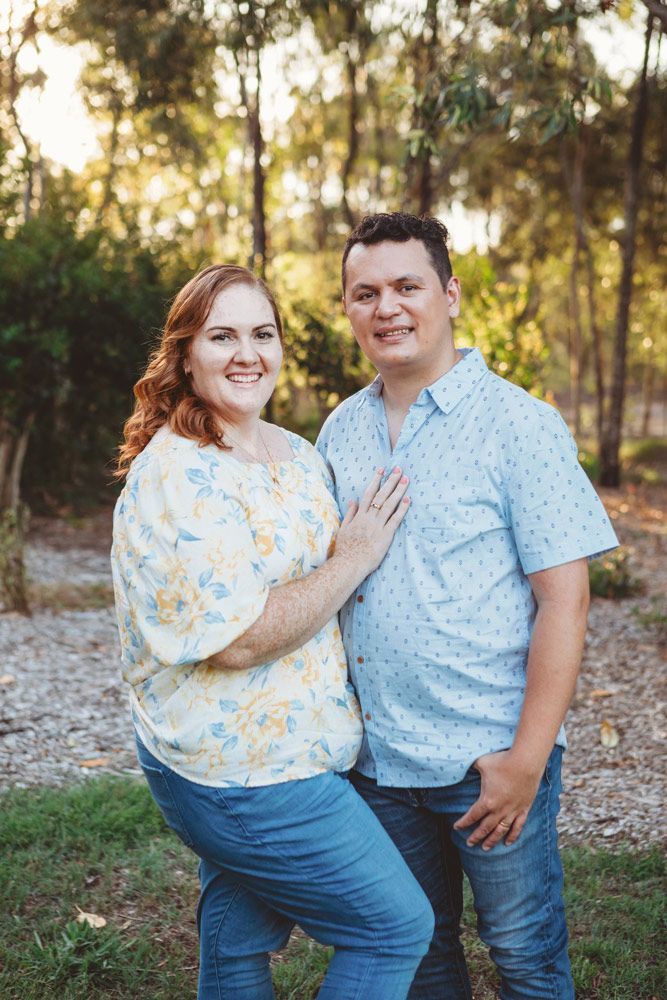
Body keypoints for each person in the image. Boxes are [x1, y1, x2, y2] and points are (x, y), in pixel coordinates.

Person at [110, 263, 435, 1000]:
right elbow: (240, 640)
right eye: (222, 336)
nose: (246, 353)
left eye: (262, 333)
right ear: (185, 354)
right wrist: (354, 557)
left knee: (239, 939)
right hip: (241, 774)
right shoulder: (178, 474)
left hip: (291, 751)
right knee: (392, 928)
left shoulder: (295, 453)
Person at [316, 213, 619, 1000]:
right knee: (418, 954)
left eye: (406, 286)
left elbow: (565, 602)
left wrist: (524, 763)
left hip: (488, 762)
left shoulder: (520, 425)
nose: (386, 307)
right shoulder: (339, 431)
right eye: (365, 292)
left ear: (447, 294)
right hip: (376, 763)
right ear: (347, 308)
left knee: (521, 957)